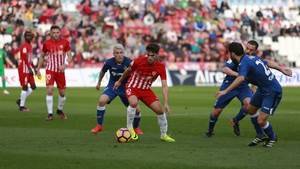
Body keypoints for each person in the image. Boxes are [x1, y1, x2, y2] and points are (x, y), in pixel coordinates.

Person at [217, 42, 292, 147]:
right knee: (250, 110)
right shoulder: (249, 58)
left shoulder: (244, 63)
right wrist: (281, 69)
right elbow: (266, 62)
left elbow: (241, 78)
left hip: (272, 91)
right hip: (262, 89)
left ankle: (272, 137)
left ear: (232, 54)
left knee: (261, 121)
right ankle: (260, 135)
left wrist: (225, 91)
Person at [114, 43, 175, 142]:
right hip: (132, 86)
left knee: (160, 111)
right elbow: (128, 71)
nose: (150, 57)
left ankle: (163, 135)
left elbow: (164, 85)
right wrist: (119, 81)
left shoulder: (160, 67)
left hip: (146, 90)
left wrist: (166, 103)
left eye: (152, 55)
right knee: (133, 103)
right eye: (148, 55)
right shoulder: (138, 61)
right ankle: (130, 128)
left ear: (157, 55)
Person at [91, 44, 144, 135]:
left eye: (121, 53)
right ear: (113, 54)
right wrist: (99, 82)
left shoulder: (129, 62)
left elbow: (136, 74)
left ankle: (136, 128)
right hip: (113, 86)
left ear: (123, 53)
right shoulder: (108, 62)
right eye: (117, 53)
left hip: (126, 87)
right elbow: (102, 71)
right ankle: (99, 126)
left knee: (137, 109)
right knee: (101, 101)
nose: (119, 55)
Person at [36, 25, 72, 121]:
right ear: (50, 33)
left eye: (57, 32)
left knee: (62, 93)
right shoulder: (46, 43)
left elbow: (69, 56)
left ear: (60, 33)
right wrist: (38, 69)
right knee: (49, 90)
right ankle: (50, 114)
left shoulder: (65, 42)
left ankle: (59, 110)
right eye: (54, 32)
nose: (56, 34)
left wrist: (65, 64)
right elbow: (42, 56)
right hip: (50, 70)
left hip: (60, 71)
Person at [16, 30, 36, 112]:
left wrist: (34, 67)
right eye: (27, 36)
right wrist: (29, 68)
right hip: (24, 69)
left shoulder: (30, 46)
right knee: (24, 87)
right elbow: (24, 59)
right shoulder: (24, 46)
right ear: (25, 37)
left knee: (33, 86)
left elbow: (29, 59)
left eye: (30, 36)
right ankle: (21, 107)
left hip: (28, 69)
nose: (29, 37)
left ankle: (20, 100)